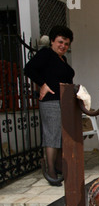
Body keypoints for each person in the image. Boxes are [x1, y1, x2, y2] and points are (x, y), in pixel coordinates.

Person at [25, 26, 75, 186]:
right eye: (60, 42)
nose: (63, 46)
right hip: (51, 101)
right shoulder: (46, 54)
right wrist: (43, 85)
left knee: (61, 135)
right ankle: (51, 170)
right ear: (52, 41)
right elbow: (29, 69)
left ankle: (59, 166)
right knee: (52, 135)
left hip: (63, 101)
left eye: (66, 44)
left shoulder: (62, 59)